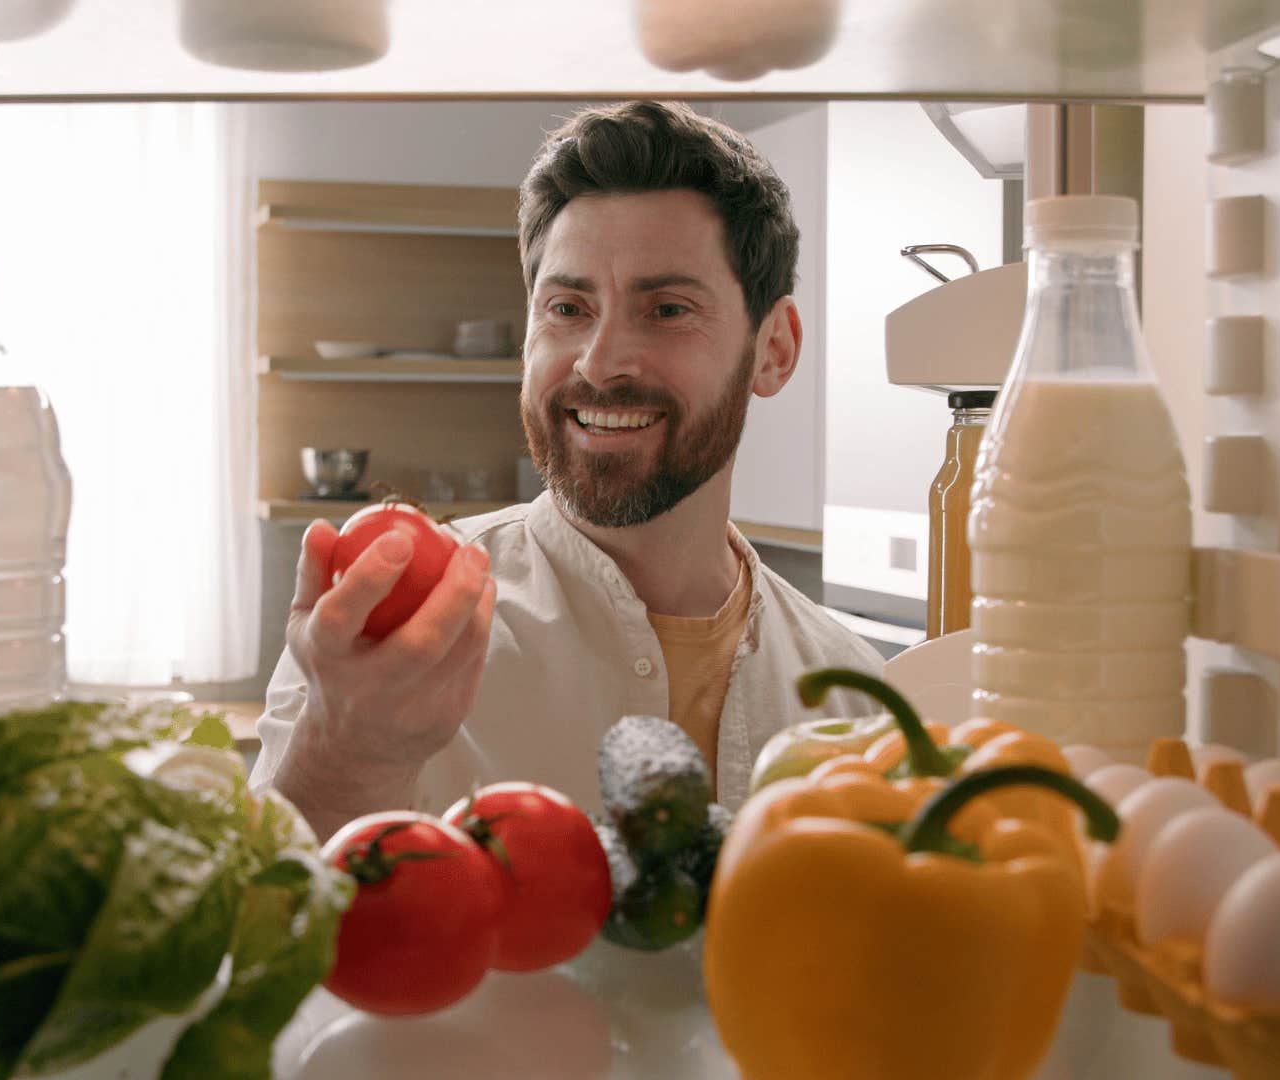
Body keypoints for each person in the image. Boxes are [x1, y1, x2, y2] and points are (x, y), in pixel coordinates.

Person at [251, 101, 884, 841]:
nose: (600, 361)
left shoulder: (854, 697)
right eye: (568, 307)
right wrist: (344, 750)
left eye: (668, 309)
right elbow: (265, 939)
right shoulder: (390, 646)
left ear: (773, 348)